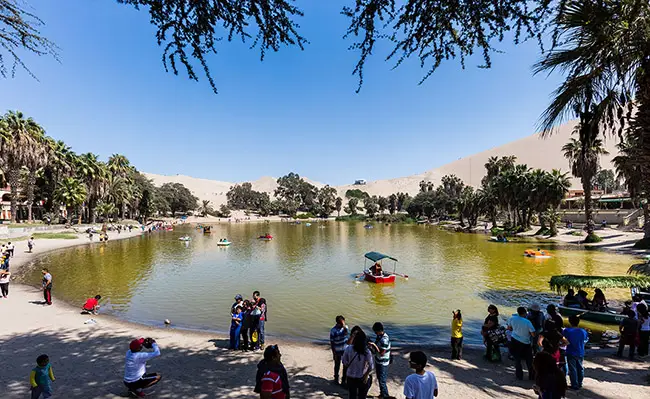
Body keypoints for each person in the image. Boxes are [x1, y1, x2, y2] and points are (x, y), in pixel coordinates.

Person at [342, 329, 374, 399]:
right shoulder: (367, 351)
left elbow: (344, 361)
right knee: (362, 396)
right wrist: (366, 375)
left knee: (352, 396)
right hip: (362, 377)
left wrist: (349, 366)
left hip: (351, 376)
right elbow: (371, 366)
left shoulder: (348, 349)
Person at [508, 307, 536, 380]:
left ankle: (519, 375)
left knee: (517, 359)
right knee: (529, 360)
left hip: (514, 340)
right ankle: (531, 375)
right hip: (525, 342)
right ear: (524, 313)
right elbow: (533, 334)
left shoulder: (512, 318)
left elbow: (509, 328)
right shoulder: (527, 322)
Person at [563, 315, 588, 390]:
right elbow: (586, 340)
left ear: (570, 322)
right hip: (580, 351)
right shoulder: (583, 331)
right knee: (580, 368)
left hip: (571, 351)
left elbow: (563, 339)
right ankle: (580, 383)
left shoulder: (567, 331)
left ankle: (574, 384)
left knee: (572, 369)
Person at [369, 322, 391, 399]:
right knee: (380, 378)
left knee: (382, 380)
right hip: (379, 361)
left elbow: (382, 353)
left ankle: (385, 395)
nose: (375, 333)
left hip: (383, 362)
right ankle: (382, 394)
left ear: (378, 330)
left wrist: (374, 345)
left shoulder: (384, 339)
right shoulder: (380, 337)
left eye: (375, 331)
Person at [330, 315, 349, 384]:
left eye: (344, 322)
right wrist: (334, 353)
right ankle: (336, 379)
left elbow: (347, 334)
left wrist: (344, 326)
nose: (343, 324)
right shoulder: (333, 330)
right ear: (337, 323)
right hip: (337, 350)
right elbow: (332, 343)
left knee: (345, 365)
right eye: (341, 323)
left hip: (345, 350)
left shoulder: (345, 328)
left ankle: (344, 380)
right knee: (337, 364)